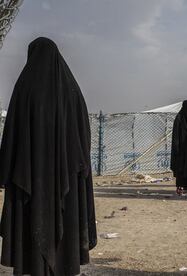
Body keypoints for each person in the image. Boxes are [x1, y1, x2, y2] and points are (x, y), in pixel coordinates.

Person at [0, 37, 97, 276]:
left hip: (30, 177)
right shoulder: (73, 91)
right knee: (68, 219)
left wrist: (5, 171)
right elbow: (85, 137)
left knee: (31, 220)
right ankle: (64, 263)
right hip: (69, 182)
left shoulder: (25, 87)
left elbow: (11, 134)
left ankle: (34, 265)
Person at [171, 100, 187, 194]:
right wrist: (177, 149)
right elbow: (176, 135)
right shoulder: (179, 118)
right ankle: (180, 188)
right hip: (181, 150)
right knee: (181, 170)